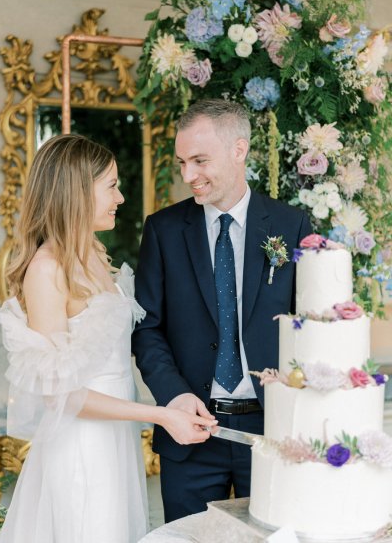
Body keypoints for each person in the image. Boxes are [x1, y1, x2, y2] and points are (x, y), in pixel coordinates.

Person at [0, 134, 217, 543]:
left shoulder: (94, 255)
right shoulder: (47, 271)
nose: (121, 197)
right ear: (77, 191)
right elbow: (60, 394)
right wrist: (161, 415)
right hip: (81, 447)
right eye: (111, 186)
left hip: (115, 438)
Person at [132, 99, 312, 522]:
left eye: (199, 160)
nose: (188, 176)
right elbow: (147, 329)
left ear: (239, 150)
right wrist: (175, 396)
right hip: (190, 434)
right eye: (181, 162)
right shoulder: (163, 229)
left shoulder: (292, 225)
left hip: (272, 431)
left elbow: (309, 322)